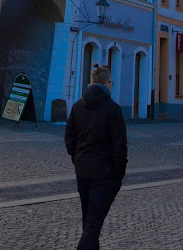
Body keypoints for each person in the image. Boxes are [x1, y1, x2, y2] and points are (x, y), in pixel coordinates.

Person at [65, 64, 127, 250]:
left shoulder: (77, 106)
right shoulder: (113, 109)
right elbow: (119, 146)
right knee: (93, 225)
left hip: (83, 171)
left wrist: (78, 159)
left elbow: (69, 138)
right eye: (112, 83)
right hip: (105, 174)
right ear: (107, 83)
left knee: (89, 221)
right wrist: (118, 175)